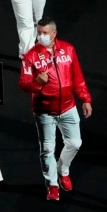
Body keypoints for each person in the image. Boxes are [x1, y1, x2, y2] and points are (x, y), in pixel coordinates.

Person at [18, 17, 92, 201]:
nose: (41, 36)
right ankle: (52, 184)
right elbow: (23, 84)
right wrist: (37, 83)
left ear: (54, 33)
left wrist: (85, 99)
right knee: (47, 150)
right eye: (39, 32)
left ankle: (63, 170)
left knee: (75, 143)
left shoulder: (68, 49)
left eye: (45, 33)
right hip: (44, 112)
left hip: (68, 107)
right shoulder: (31, 56)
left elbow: (78, 77)